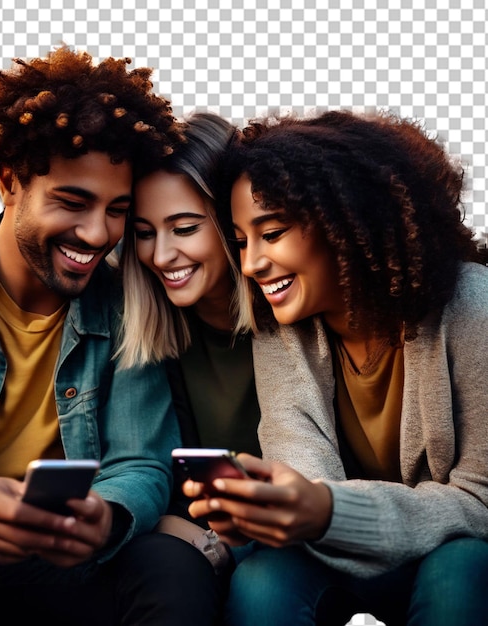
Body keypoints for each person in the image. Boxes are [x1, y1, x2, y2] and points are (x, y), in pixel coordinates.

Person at [0, 46, 224, 625]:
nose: (96, 232)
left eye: (116, 211)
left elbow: (141, 463)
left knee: (170, 564)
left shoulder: (129, 307)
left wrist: (103, 516)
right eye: (73, 202)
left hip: (71, 572)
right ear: (9, 181)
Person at [184, 109, 488, 626]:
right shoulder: (281, 330)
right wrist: (271, 508)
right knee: (262, 580)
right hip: (340, 548)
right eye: (240, 241)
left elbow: (481, 502)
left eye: (272, 232)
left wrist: (326, 511)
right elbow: (304, 477)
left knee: (463, 567)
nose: (252, 263)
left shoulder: (472, 310)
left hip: (451, 553)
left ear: (348, 224)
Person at [116, 111, 261, 577]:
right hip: (190, 544)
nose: (160, 256)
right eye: (144, 233)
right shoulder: (149, 336)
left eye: (184, 228)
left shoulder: (293, 322)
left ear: (229, 222)